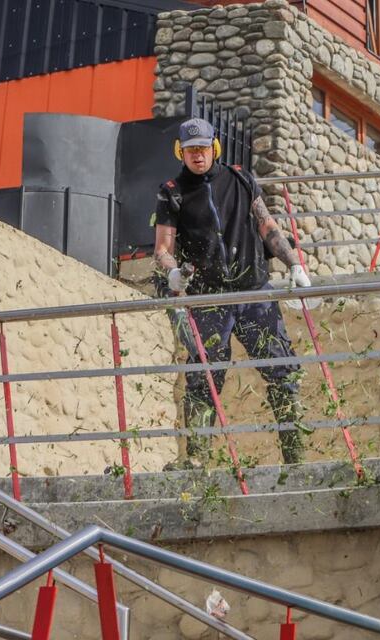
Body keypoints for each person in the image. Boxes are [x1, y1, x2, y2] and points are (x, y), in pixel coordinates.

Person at [153, 117, 313, 465]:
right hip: (209, 299)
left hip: (253, 291)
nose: (198, 155)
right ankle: (196, 459)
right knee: (203, 376)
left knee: (282, 369)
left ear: (215, 148)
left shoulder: (241, 179)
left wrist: (293, 263)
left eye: (204, 148)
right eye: (191, 149)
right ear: (181, 151)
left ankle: (295, 458)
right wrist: (174, 273)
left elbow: (266, 224)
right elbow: (163, 248)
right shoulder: (172, 192)